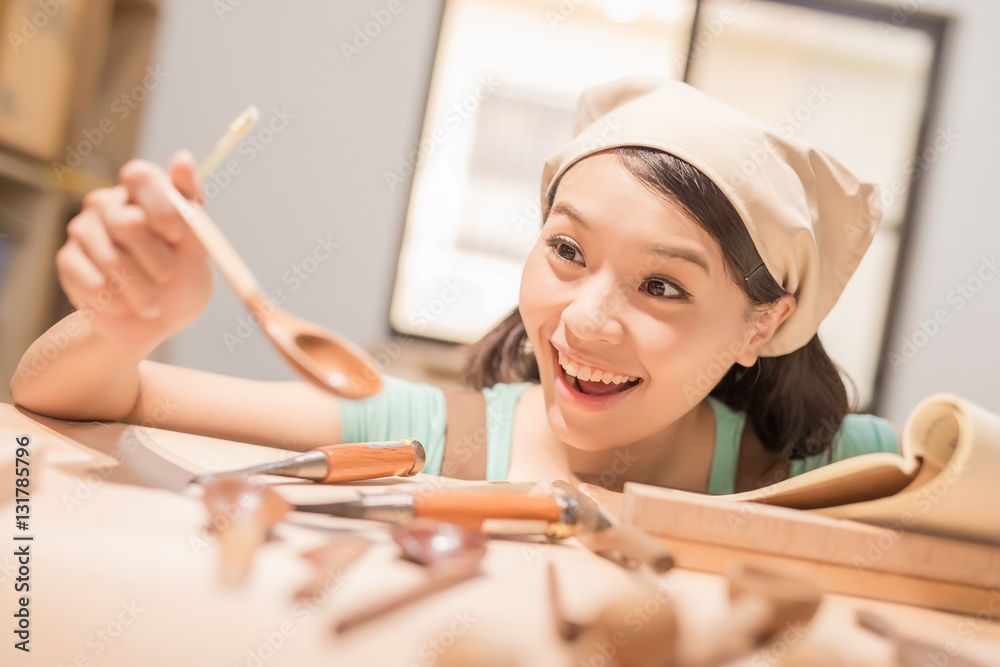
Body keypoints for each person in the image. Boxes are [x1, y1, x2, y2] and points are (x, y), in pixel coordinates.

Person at [11, 75, 901, 495]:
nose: (585, 321)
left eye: (663, 287)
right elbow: (70, 393)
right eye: (567, 251)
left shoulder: (835, 466)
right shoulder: (434, 435)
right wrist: (124, 323)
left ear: (762, 325)